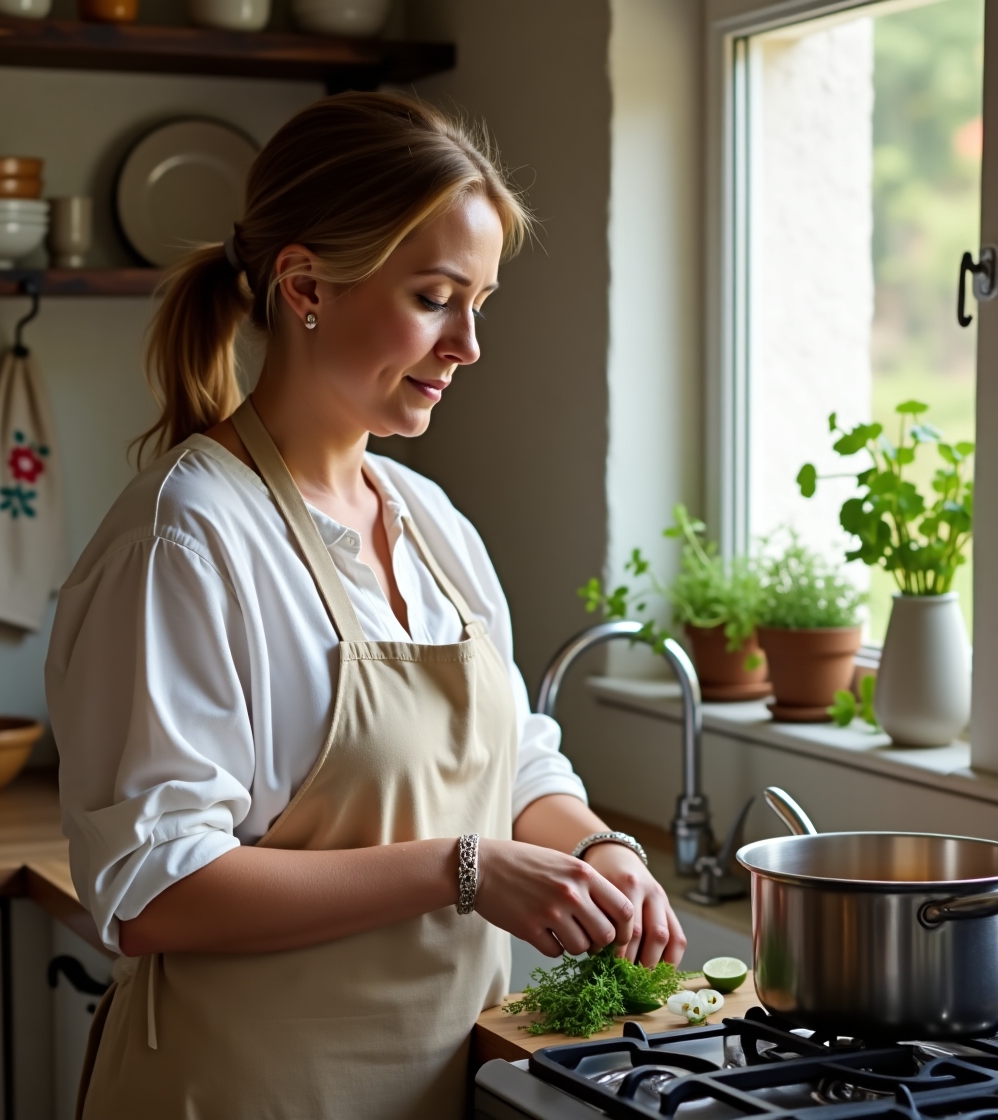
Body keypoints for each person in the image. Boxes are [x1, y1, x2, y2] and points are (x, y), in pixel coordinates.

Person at [46, 91, 686, 1120]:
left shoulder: (433, 524)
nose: (469, 343)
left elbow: (515, 757)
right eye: (436, 297)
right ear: (304, 284)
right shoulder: (189, 536)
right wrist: (461, 868)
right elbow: (155, 888)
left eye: (480, 301)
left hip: (441, 1086)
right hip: (239, 1095)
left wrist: (594, 850)